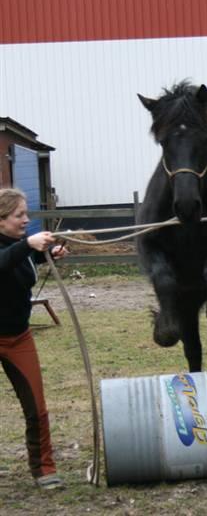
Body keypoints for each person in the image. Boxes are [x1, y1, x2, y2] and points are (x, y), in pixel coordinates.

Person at [0, 188, 69, 490]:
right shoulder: (18, 246)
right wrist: (28, 244)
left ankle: (44, 470)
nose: (26, 219)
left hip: (17, 337)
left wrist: (46, 256)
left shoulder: (19, 246)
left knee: (37, 408)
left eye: (26, 214)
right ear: (0, 220)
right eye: (19, 215)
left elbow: (18, 262)